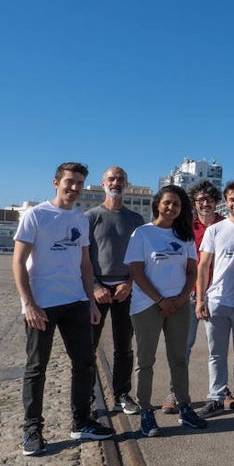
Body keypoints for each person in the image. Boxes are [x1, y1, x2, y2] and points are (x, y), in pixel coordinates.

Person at [13, 162, 113, 456]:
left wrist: (91, 302)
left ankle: (82, 421)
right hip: (42, 304)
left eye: (80, 183)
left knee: (84, 363)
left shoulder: (81, 220)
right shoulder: (36, 215)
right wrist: (29, 303)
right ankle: (32, 430)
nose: (74, 188)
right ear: (55, 182)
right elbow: (18, 262)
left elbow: (85, 264)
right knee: (36, 368)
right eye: (69, 181)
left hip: (75, 302)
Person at [125, 185, 208, 435]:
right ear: (158, 204)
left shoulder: (184, 236)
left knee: (179, 358)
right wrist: (161, 300)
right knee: (146, 360)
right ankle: (146, 413)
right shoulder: (142, 233)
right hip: (147, 305)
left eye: (177, 204)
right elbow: (136, 271)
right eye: (167, 203)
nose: (171, 208)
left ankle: (185, 407)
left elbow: (192, 270)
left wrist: (182, 298)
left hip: (179, 305)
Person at [195, 180, 234, 417]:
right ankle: (216, 396)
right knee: (216, 352)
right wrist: (201, 299)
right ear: (226, 202)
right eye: (231, 199)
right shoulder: (215, 230)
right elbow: (203, 266)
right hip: (217, 299)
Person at [85, 166, 145, 415]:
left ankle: (122, 393)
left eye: (120, 179)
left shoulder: (135, 219)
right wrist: (96, 286)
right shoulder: (90, 216)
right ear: (103, 184)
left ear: (127, 184)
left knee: (124, 346)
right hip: (97, 290)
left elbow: (140, 257)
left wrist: (129, 282)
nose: (116, 182)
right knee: (88, 346)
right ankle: (86, 395)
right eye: (111, 178)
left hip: (124, 289)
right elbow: (84, 257)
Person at [162, 180, 222, 414]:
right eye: (200, 200)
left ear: (216, 201)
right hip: (189, 293)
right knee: (183, 345)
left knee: (219, 347)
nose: (205, 203)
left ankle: (220, 391)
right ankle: (175, 391)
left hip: (218, 293)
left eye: (209, 199)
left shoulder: (225, 225)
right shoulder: (184, 226)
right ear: (193, 203)